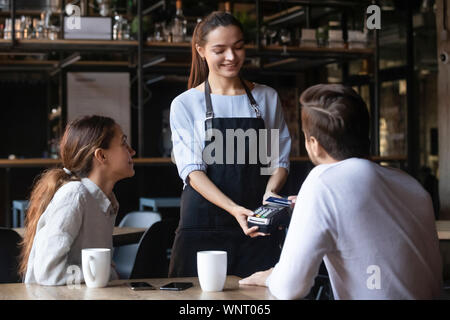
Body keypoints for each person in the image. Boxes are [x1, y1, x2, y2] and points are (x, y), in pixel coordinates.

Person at [239, 84, 443, 299]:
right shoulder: (411, 184)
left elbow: (290, 288)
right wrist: (313, 206)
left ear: (314, 144)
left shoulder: (321, 182)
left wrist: (271, 277)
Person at [168, 11, 292, 278]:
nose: (231, 57)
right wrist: (233, 208)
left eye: (238, 47)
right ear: (201, 50)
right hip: (203, 227)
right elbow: (192, 172)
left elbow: (277, 160)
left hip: (256, 226)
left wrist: (271, 192)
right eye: (219, 50)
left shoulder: (266, 98)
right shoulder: (186, 104)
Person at [19, 115, 136, 285]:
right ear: (102, 156)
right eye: (123, 142)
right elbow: (47, 272)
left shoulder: (106, 201)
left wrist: (103, 273)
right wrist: (100, 273)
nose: (132, 151)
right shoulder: (75, 196)